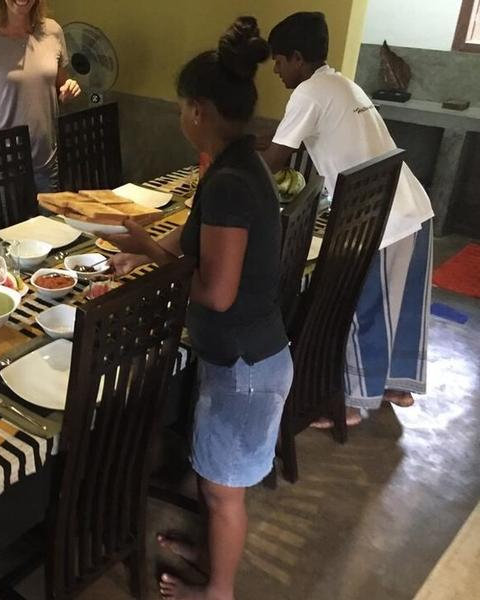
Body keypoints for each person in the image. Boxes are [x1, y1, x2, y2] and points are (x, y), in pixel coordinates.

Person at [105, 18, 291, 600]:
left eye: (185, 104)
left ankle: (218, 591)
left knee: (222, 491)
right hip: (243, 359)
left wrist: (159, 279)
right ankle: (211, 553)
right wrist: (146, 250)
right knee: (217, 480)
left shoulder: (232, 183)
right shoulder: (236, 163)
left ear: (201, 111)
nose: (182, 114)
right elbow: (200, 257)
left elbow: (217, 292)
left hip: (245, 367)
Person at [261, 12, 434, 427]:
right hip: (412, 206)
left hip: (381, 218)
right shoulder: (342, 83)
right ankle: (394, 385)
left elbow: (274, 160)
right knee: (400, 304)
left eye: (279, 62)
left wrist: (232, 168)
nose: (277, 71)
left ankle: (355, 404)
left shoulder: (308, 92)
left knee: (364, 305)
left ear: (298, 59)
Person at [0, 0, 81, 193]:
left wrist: (68, 88)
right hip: (0, 166)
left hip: (46, 163)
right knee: (10, 225)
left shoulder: (53, 32)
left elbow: (61, 84)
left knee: (50, 224)